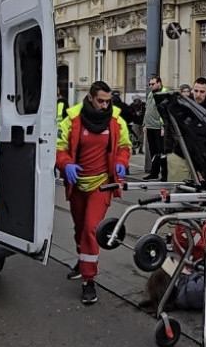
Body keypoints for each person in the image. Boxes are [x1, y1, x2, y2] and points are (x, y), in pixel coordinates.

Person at [56, 80, 132, 305]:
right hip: (78, 183)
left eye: (108, 101)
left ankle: (89, 281)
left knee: (91, 228)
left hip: (102, 183)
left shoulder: (116, 119)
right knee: (80, 228)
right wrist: (66, 164)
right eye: (101, 101)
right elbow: (60, 148)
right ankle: (82, 260)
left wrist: (121, 162)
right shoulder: (73, 118)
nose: (104, 106)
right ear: (90, 97)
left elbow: (125, 147)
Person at [143, 75, 168, 181]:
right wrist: (144, 124)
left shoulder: (164, 94)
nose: (151, 86)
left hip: (159, 128)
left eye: (153, 84)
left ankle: (164, 174)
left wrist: (163, 126)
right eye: (150, 84)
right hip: (150, 126)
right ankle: (154, 173)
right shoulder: (150, 94)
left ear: (159, 83)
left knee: (161, 152)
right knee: (153, 151)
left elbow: (165, 112)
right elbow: (147, 109)